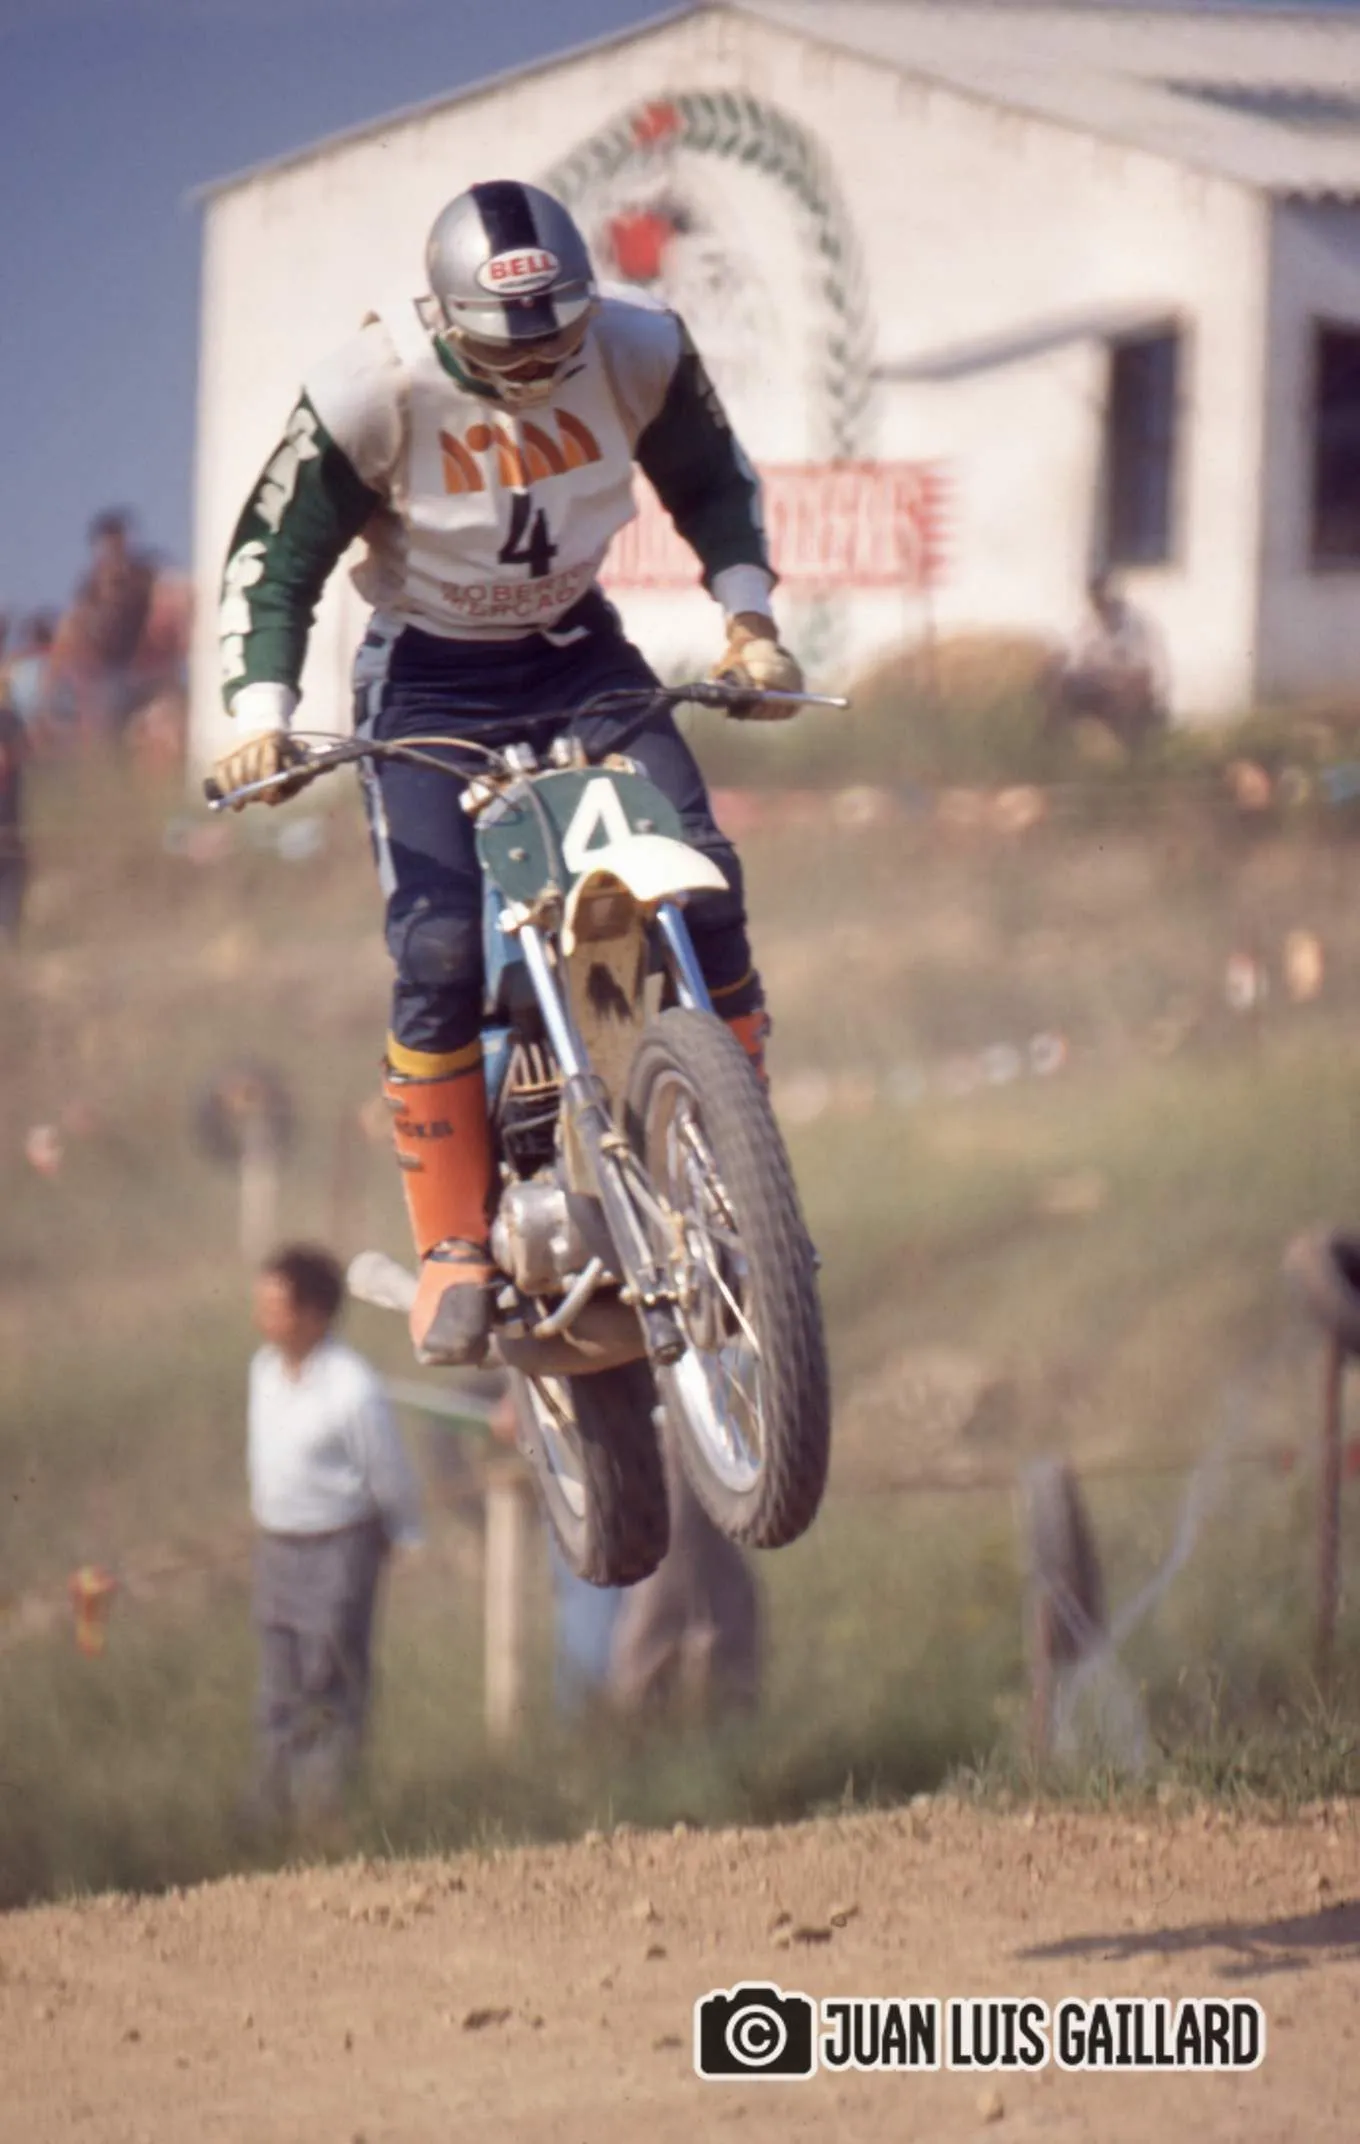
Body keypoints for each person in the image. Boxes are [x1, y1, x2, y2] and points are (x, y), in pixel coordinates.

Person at [210, 179, 804, 1371]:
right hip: (426, 678)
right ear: (443, 319)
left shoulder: (639, 348)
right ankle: (451, 1244)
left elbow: (714, 480)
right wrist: (262, 716)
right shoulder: (370, 387)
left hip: (577, 652)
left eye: (555, 335)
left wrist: (749, 624)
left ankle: (743, 1171)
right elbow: (276, 554)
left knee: (703, 878)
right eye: (503, 345)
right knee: (437, 950)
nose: (535, 364)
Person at [247, 1242, 424, 1826]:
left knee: (330, 1679)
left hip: (339, 1548)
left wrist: (406, 1533)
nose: (263, 1318)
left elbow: (387, 1470)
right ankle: (269, 1813)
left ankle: (326, 1812)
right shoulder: (264, 1372)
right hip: (278, 1547)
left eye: (276, 1307)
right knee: (278, 1684)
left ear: (313, 1314)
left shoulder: (352, 1386)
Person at [1046, 572, 1169, 752]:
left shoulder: (1136, 624)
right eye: (1095, 599)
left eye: (1103, 597)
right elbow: (1077, 661)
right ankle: (1055, 748)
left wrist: (1111, 677)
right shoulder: (1090, 624)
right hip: (1100, 685)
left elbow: (1145, 670)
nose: (1099, 604)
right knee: (1059, 684)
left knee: (1126, 691)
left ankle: (1128, 751)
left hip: (1131, 687)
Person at [0, 677, 28, 947]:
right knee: (12, 870)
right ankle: (7, 933)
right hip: (6, 821)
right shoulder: (7, 720)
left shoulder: (9, 720)